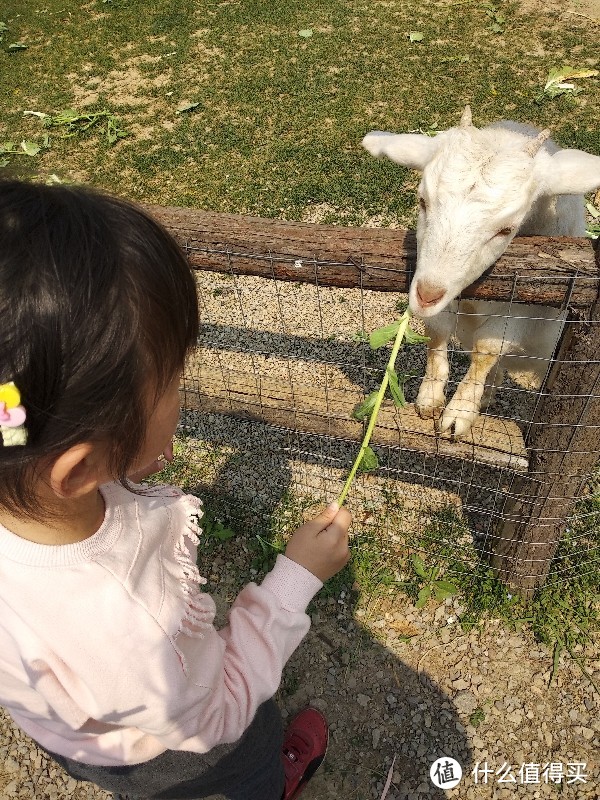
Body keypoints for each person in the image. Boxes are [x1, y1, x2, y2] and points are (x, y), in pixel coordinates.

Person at [0, 180, 352, 800]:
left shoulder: (17, 464)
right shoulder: (132, 627)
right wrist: (295, 578)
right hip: (169, 748)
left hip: (70, 731)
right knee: (244, 758)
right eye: (174, 382)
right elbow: (216, 714)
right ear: (79, 470)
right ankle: (273, 782)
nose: (180, 397)